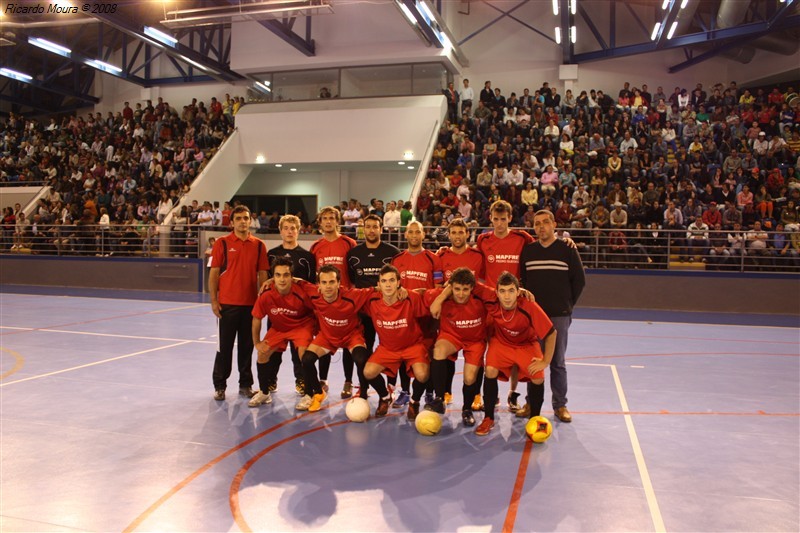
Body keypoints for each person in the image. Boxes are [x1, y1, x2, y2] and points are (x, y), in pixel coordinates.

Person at [457, 272, 557, 436]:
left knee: (538, 376)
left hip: (526, 345)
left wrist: (545, 361)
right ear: (496, 292)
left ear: (518, 292)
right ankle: (488, 418)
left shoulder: (529, 306)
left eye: (511, 291)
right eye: (502, 291)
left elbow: (551, 333)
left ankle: (534, 418)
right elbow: (465, 278)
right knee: (490, 370)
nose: (507, 296)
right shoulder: (491, 298)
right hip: (502, 343)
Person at [519, 209, 585, 423]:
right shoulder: (528, 252)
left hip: (559, 315)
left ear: (554, 225)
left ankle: (560, 405)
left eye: (545, 222)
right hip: (534, 317)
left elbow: (579, 281)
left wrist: (566, 305)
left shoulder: (567, 250)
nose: (541, 227)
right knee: (533, 361)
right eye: (537, 223)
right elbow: (524, 282)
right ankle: (531, 402)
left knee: (557, 362)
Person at [476, 200, 533, 412]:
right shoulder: (482, 240)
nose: (499, 223)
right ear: (490, 218)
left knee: (516, 352)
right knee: (488, 351)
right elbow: (474, 262)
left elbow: (541, 247)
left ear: (510, 218)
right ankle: (491, 396)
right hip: (491, 306)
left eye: (503, 219)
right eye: (496, 219)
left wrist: (566, 242)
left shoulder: (522, 238)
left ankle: (513, 393)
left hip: (514, 304)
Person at [208, 205, 269, 401]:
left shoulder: (259, 245)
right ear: (232, 222)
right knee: (224, 348)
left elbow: (262, 275)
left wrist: (262, 302)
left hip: (251, 307)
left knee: (247, 348)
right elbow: (214, 273)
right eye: (239, 218)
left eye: (246, 218)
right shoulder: (222, 243)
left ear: (250, 220)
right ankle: (220, 385)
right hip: (227, 306)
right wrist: (214, 300)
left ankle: (246, 384)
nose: (243, 221)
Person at [363, 265, 432, 421]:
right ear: (378, 284)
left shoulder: (411, 297)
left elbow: (429, 295)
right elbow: (349, 293)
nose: (388, 284)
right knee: (368, 372)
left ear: (399, 282)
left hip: (413, 346)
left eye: (392, 280)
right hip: (388, 348)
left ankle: (414, 402)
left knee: (422, 374)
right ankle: (385, 397)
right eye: (384, 281)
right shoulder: (372, 301)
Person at [426, 267, 489, 427]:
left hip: (475, 341)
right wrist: (440, 297)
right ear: (450, 287)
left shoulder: (482, 296)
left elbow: (501, 293)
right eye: (457, 289)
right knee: (438, 350)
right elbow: (419, 294)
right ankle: (439, 398)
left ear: (472, 288)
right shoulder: (440, 296)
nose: (461, 294)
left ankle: (466, 409)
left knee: (469, 378)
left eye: (465, 290)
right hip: (451, 336)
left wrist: (520, 290)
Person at [390, 220, 444, 408]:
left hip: (426, 317)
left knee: (427, 355)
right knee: (404, 355)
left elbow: (438, 288)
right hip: (403, 317)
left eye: (417, 232)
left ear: (423, 234)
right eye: (410, 232)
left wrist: (421, 296)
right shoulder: (397, 260)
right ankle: (405, 392)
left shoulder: (433, 258)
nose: (414, 235)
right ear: (405, 235)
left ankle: (428, 392)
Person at [346, 214, 400, 399]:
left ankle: (391, 385)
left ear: (381, 229)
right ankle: (363, 386)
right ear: (363, 229)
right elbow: (353, 280)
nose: (371, 230)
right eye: (367, 227)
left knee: (392, 348)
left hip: (388, 310)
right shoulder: (353, 254)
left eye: (375, 227)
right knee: (364, 349)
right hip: (364, 311)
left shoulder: (392, 252)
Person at [249, 257, 316, 407]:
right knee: (262, 353)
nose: (282, 279)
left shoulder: (302, 292)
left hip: (301, 325)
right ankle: (264, 393)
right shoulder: (266, 294)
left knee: (303, 354)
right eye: (278, 275)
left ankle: (309, 394)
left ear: (292, 277)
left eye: (286, 275)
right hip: (279, 327)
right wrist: (257, 343)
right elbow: (256, 319)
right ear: (273, 276)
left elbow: (316, 309)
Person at [264, 214, 316, 396]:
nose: (289, 232)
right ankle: (270, 381)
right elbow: (266, 282)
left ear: (299, 230)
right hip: (276, 313)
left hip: (300, 316)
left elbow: (311, 287)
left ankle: (301, 381)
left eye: (293, 228)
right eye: (286, 228)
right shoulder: (271, 254)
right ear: (280, 231)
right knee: (274, 351)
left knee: (298, 352)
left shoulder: (307, 257)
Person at [310, 206, 358, 399]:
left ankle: (348, 381)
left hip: (346, 303)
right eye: (325, 218)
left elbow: (354, 272)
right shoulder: (315, 247)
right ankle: (323, 380)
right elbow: (314, 278)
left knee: (348, 344)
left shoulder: (349, 243)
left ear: (337, 221)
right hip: (325, 303)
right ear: (320, 222)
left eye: (332, 218)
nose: (328, 221)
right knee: (325, 340)